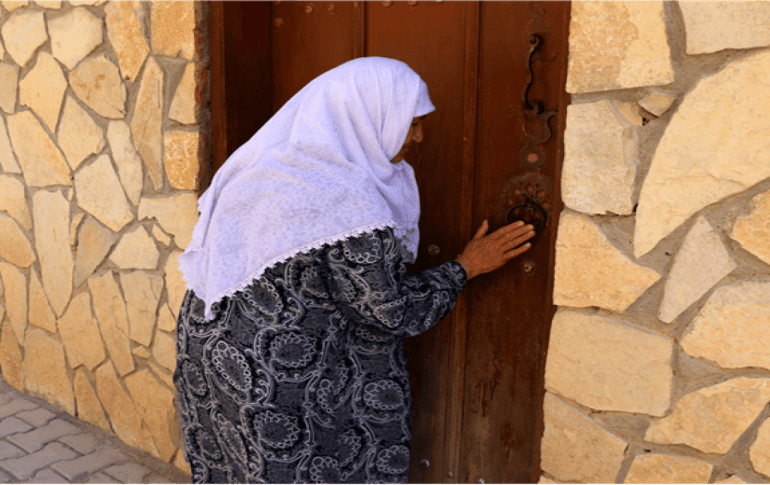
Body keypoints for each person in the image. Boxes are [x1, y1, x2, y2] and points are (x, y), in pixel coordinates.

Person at [173, 56, 535, 484]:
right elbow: (389, 311)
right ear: (367, 117)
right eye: (412, 123)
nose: (419, 136)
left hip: (212, 353)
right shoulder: (347, 200)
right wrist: (465, 267)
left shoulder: (265, 167)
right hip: (277, 376)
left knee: (234, 470)